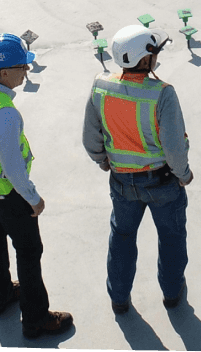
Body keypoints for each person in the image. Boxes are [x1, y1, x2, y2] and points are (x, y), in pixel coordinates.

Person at [0, 33, 73, 339]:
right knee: (29, 250)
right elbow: (12, 169)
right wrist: (33, 198)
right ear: (5, 72)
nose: (27, 71)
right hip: (6, 193)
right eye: (23, 66)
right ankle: (36, 319)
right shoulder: (5, 115)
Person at [82, 25, 193, 313]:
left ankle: (119, 298)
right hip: (162, 182)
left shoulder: (100, 86)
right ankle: (172, 293)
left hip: (121, 182)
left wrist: (102, 160)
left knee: (122, 237)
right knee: (171, 237)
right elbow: (173, 146)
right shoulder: (163, 94)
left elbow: (90, 138)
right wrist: (184, 175)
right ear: (145, 59)